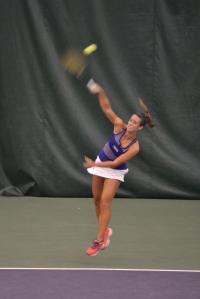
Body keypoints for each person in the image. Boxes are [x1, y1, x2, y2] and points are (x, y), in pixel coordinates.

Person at [83, 81, 154, 256]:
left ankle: (99, 241)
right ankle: (105, 230)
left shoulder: (135, 147)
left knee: (106, 201)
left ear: (140, 127)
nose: (130, 124)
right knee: (96, 200)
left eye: (134, 123)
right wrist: (100, 92)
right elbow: (106, 107)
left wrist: (95, 164)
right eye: (130, 121)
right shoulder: (118, 125)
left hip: (114, 170)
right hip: (100, 163)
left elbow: (115, 164)